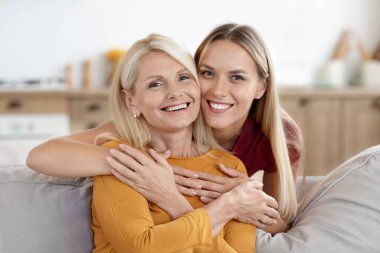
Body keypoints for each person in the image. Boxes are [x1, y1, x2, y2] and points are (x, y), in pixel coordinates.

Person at [27, 23, 303, 234]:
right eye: (207, 73)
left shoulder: (278, 136)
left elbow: (280, 223)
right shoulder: (171, 120)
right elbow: (40, 155)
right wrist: (144, 166)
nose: (218, 91)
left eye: (237, 77)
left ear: (261, 87)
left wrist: (242, 198)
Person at [90, 34, 260, 252]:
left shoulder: (229, 168)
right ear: (131, 101)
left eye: (183, 78)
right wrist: (223, 209)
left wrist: (173, 202)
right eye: (156, 84)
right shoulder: (122, 160)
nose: (174, 93)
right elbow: (141, 247)